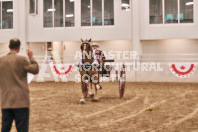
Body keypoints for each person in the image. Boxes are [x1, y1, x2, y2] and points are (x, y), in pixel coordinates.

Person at [0, 38, 39, 132]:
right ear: (19, 48)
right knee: (22, 129)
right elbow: (35, 70)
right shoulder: (22, 60)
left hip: (6, 101)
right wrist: (31, 57)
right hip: (21, 101)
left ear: (9, 46)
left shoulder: (1, 60)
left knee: (5, 128)